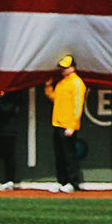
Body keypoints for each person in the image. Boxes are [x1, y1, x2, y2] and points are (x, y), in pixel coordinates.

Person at [45, 55, 85, 192]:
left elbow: (78, 105)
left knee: (69, 155)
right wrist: (48, 87)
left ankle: (73, 182)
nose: (62, 70)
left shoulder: (77, 83)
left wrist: (72, 125)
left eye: (65, 67)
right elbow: (55, 98)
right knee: (60, 155)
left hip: (68, 125)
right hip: (57, 122)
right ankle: (62, 181)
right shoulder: (62, 83)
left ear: (72, 68)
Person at [0, 88, 23, 188]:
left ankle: (10, 180)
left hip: (9, 131)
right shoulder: (3, 97)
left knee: (10, 156)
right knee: (4, 155)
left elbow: (6, 109)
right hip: (0, 129)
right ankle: (7, 179)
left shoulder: (14, 96)